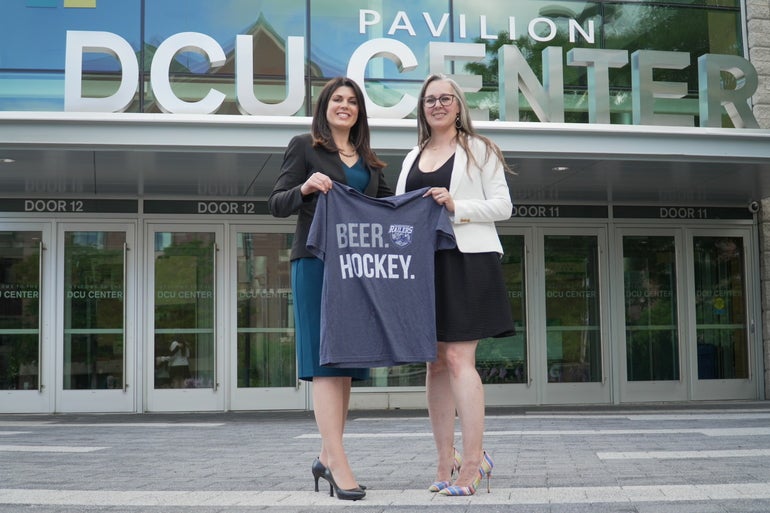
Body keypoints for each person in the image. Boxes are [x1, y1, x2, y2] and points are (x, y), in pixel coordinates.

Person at [268, 76, 392, 501]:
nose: (345, 106)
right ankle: (339, 464)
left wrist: (428, 201)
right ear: (324, 106)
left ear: (359, 111)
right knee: (325, 361)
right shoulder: (305, 146)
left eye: (352, 101)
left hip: (357, 268)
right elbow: (276, 203)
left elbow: (392, 210)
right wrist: (305, 187)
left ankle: (325, 456)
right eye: (337, 99)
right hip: (317, 264)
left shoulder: (373, 163)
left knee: (346, 364)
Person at [395, 73, 515, 496]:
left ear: (459, 105)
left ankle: (473, 465)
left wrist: (456, 204)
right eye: (430, 100)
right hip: (424, 266)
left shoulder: (479, 150)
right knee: (434, 364)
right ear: (422, 108)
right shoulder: (412, 156)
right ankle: (446, 463)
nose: (438, 105)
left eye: (446, 98)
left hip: (468, 260)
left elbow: (504, 206)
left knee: (461, 360)